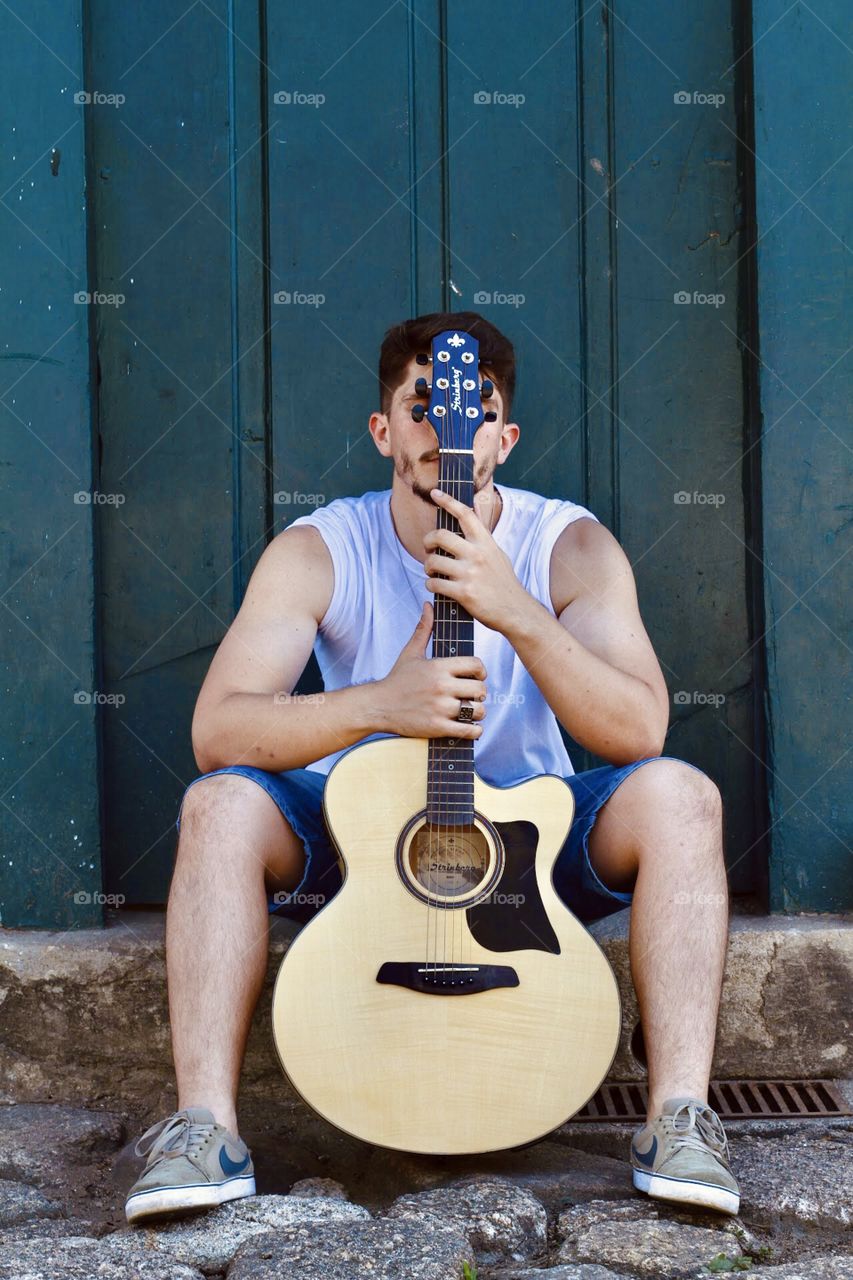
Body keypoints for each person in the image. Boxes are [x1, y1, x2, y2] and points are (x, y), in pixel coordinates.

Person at [125, 312, 739, 1224]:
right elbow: (219, 728)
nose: (441, 429)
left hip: (529, 850)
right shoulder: (319, 550)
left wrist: (515, 609)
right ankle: (203, 1129)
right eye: (421, 408)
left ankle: (679, 1118)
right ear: (385, 431)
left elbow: (639, 727)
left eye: (469, 409)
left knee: (683, 796)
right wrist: (381, 703)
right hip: (367, 841)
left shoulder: (568, 546)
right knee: (218, 804)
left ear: (501, 434)